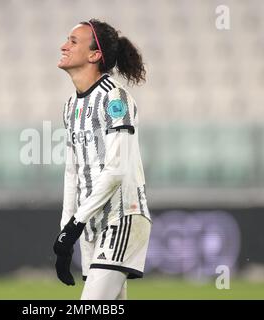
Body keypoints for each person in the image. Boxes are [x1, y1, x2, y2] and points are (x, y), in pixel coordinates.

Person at [53, 18, 152, 300]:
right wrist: (65, 233)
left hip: (121, 217)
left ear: (95, 55)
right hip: (90, 224)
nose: (63, 46)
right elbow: (72, 171)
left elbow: (116, 170)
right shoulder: (71, 106)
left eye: (73, 42)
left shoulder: (115, 98)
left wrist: (74, 225)